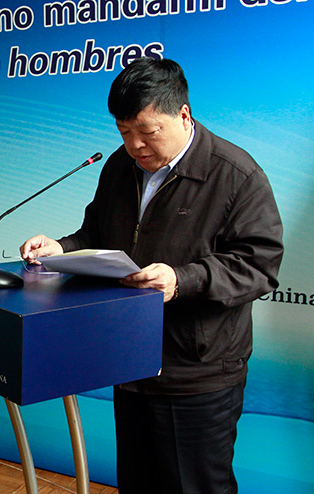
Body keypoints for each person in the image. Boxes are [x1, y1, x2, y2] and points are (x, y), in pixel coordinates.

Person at [20, 58, 283, 493]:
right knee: (139, 482)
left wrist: (182, 280)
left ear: (183, 114)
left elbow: (258, 265)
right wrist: (61, 248)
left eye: (148, 132)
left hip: (197, 372)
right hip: (130, 357)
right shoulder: (121, 167)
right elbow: (96, 231)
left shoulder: (236, 175)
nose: (136, 146)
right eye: (124, 133)